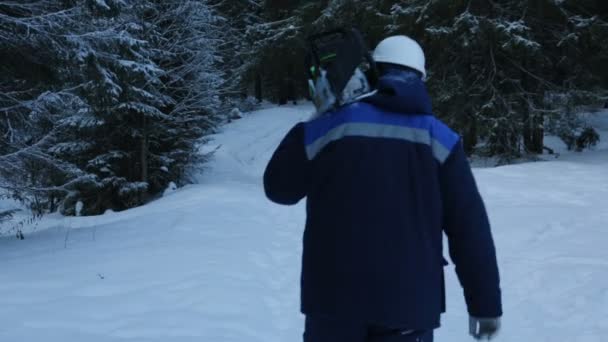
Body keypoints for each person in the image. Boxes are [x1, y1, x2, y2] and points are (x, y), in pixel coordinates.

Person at [263, 34, 502, 342]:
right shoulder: (440, 140)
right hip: (408, 305)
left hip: (332, 304)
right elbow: (470, 230)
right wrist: (485, 305)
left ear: (370, 70)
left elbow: (279, 189)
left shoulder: (328, 127)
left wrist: (317, 116)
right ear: (420, 78)